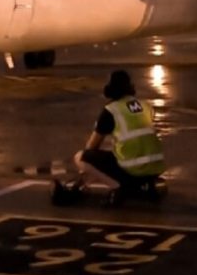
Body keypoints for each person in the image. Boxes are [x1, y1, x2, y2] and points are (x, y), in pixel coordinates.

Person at [54, 69, 166, 206]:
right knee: (119, 153)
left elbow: (92, 147)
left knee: (82, 157)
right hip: (155, 168)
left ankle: (121, 187)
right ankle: (145, 185)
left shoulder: (112, 110)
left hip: (133, 169)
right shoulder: (146, 106)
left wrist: (80, 179)